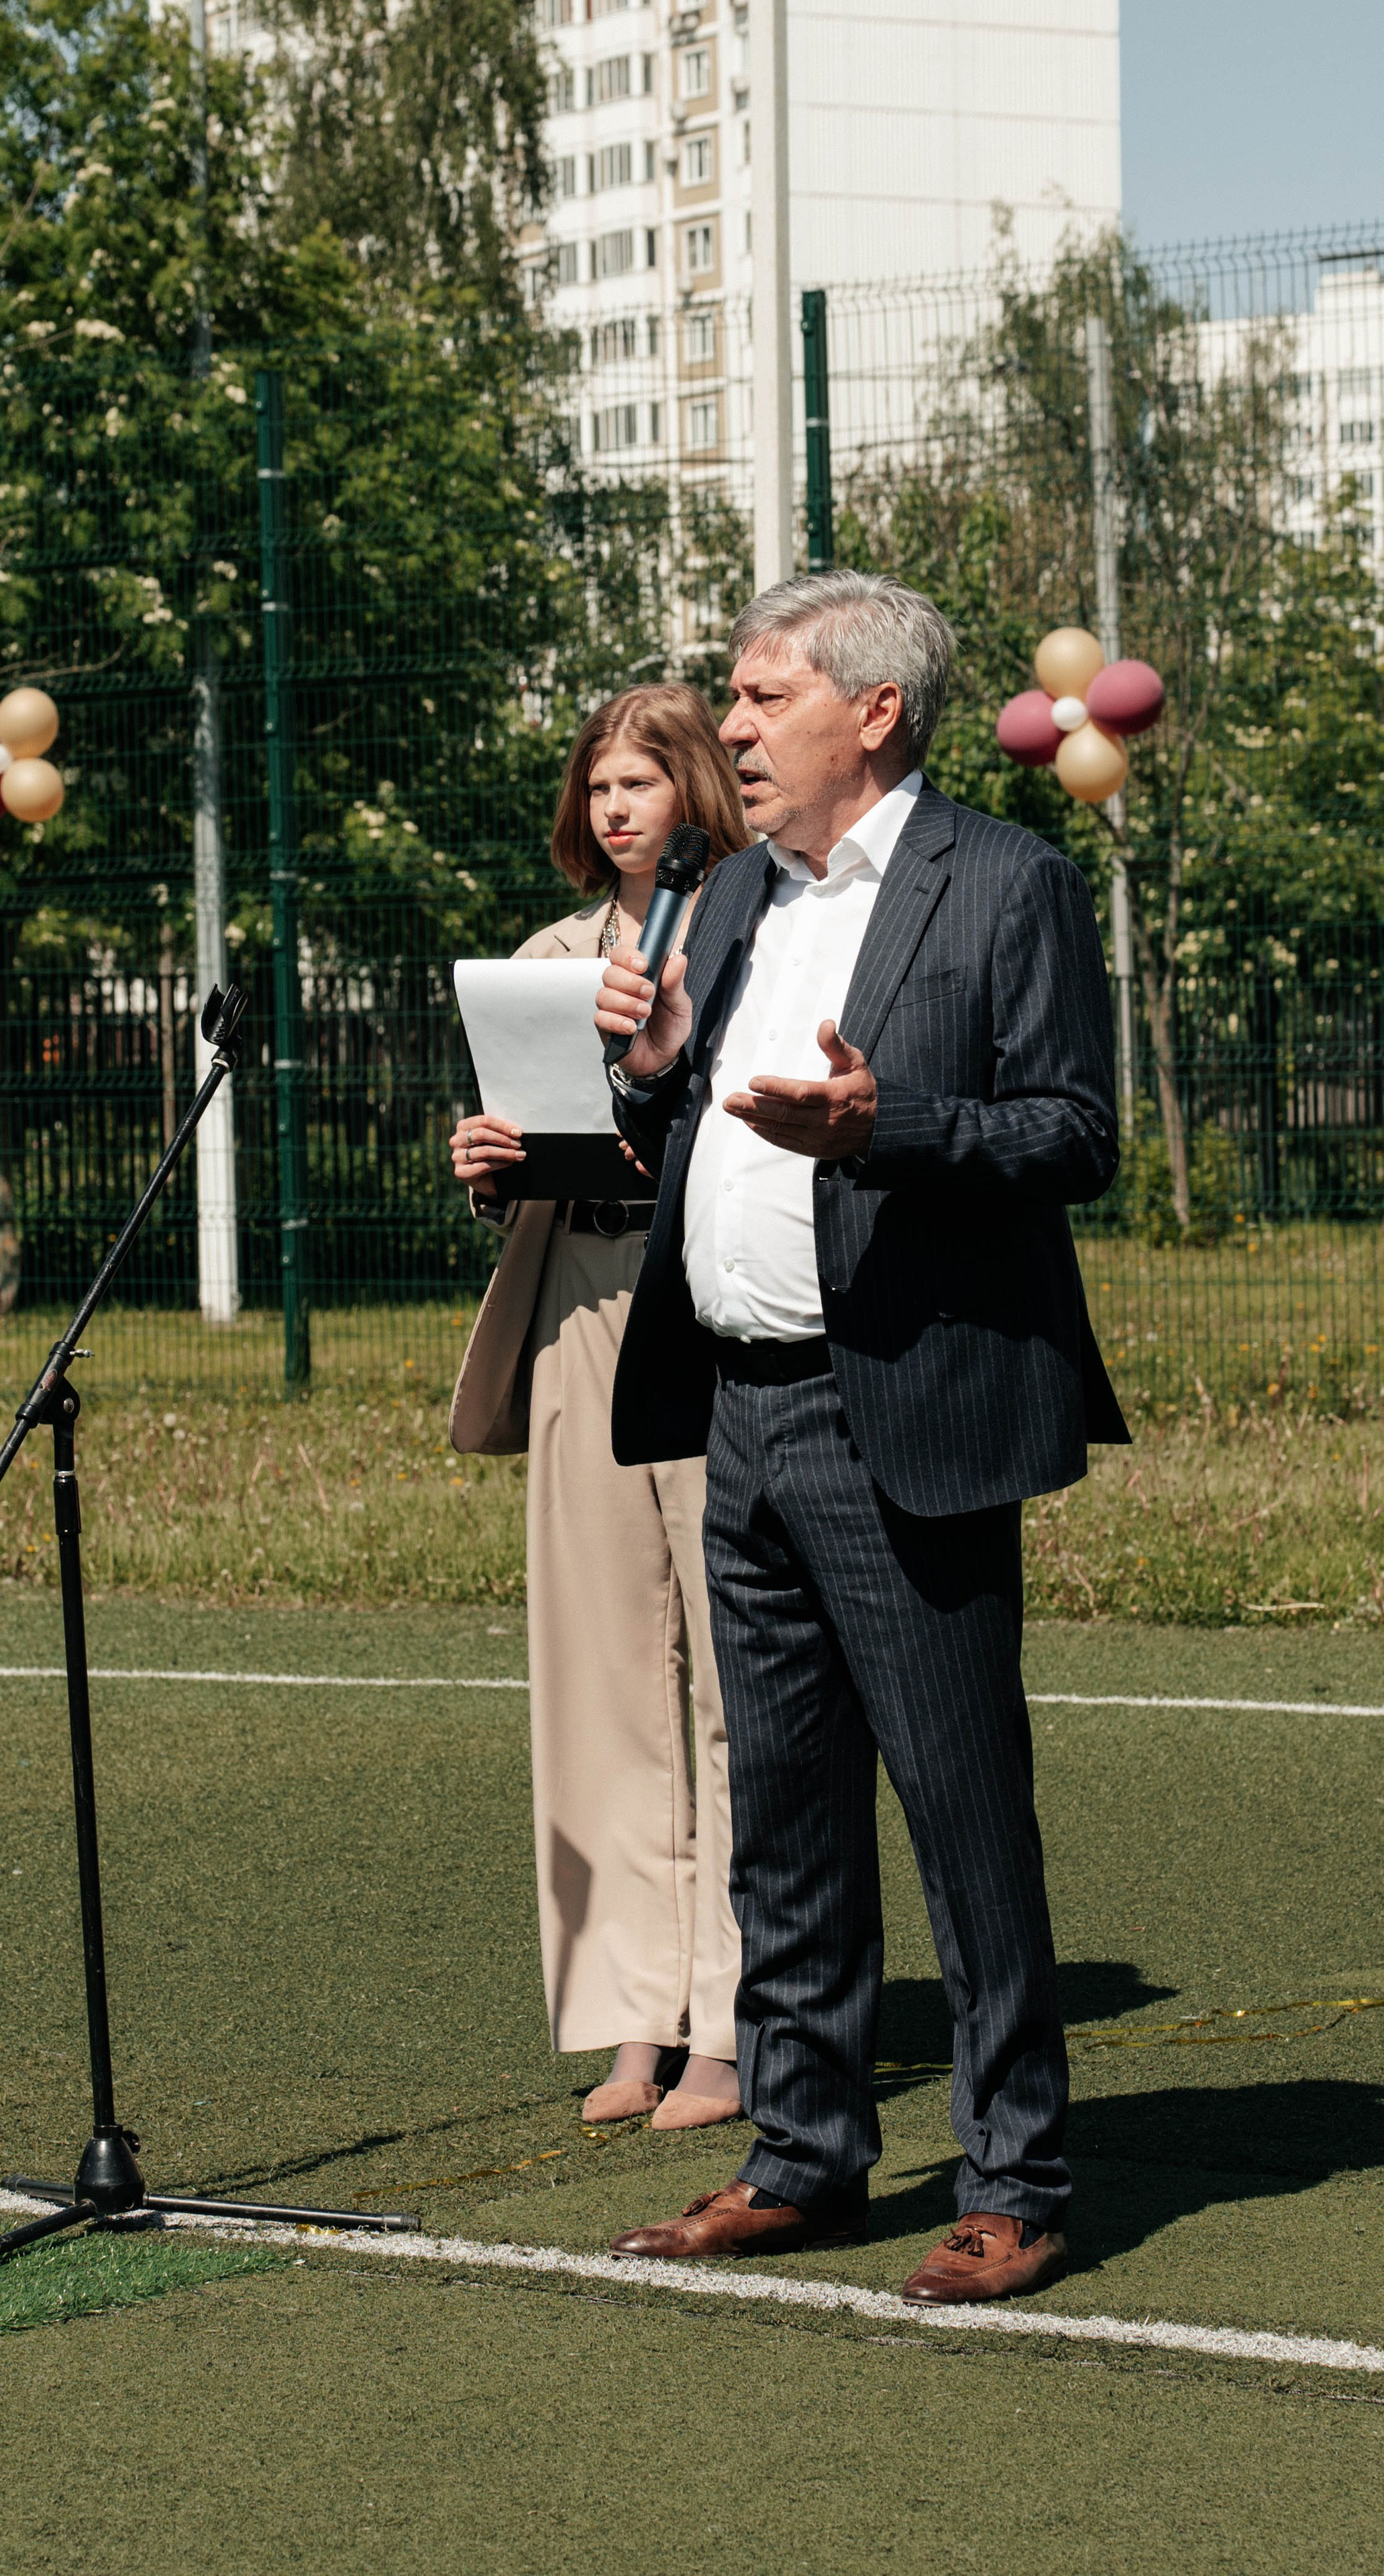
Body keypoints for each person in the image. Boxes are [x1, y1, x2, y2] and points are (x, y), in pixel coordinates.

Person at [593, 571, 1128, 2300]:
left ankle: (1014, 2178)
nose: (730, 729)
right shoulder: (733, 890)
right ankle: (803, 2155)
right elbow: (689, 1126)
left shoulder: (1004, 881)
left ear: (874, 710)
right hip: (737, 1407)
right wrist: (653, 1070)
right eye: (732, 699)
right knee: (786, 1817)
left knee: (961, 1814)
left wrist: (888, 1125)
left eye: (763, 698)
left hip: (900, 1404)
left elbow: (1071, 1132)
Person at [449, 683, 751, 2128]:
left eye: (641, 780)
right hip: (576, 1305)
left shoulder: (757, 932)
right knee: (600, 1676)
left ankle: (733, 2021)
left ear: (696, 788)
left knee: (736, 1676)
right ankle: (634, 2016)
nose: (614, 806)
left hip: (710, 1309)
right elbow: (529, 1147)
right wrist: (487, 1163)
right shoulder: (544, 960)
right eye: (598, 785)